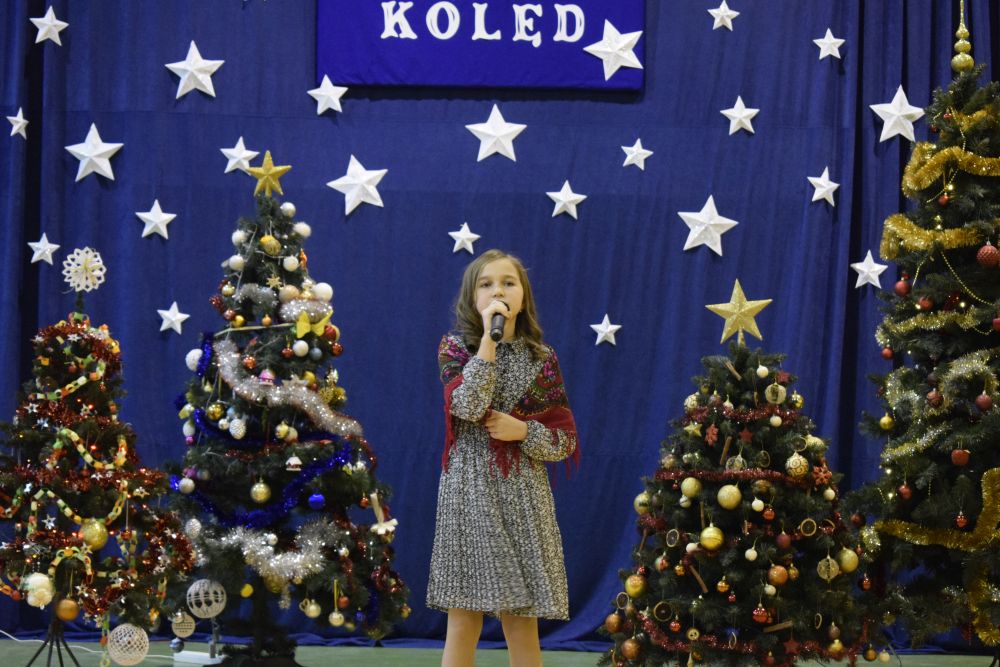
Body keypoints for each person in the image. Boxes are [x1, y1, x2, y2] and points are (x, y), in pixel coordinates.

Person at [427, 249, 580, 667]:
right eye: (487, 284)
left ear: (523, 297)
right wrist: (488, 344)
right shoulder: (455, 348)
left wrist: (524, 431)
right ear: (472, 297)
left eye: (508, 283)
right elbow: (467, 405)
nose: (498, 291)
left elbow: (563, 442)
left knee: (521, 618)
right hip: (468, 490)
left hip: (523, 493)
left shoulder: (541, 358)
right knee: (464, 616)